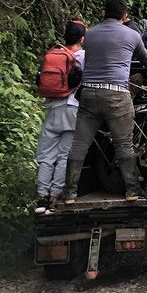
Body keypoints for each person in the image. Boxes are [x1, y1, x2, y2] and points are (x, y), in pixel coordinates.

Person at [62, 0, 147, 204]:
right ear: (124, 16)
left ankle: (69, 193)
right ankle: (132, 190)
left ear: (104, 13)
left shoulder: (90, 34)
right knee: (124, 144)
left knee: (80, 145)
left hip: (89, 94)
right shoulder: (132, 34)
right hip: (117, 95)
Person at [34, 20, 86, 213]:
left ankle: (41, 198)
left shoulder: (55, 54)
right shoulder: (83, 56)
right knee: (65, 156)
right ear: (82, 38)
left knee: (46, 156)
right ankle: (54, 198)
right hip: (73, 110)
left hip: (53, 108)